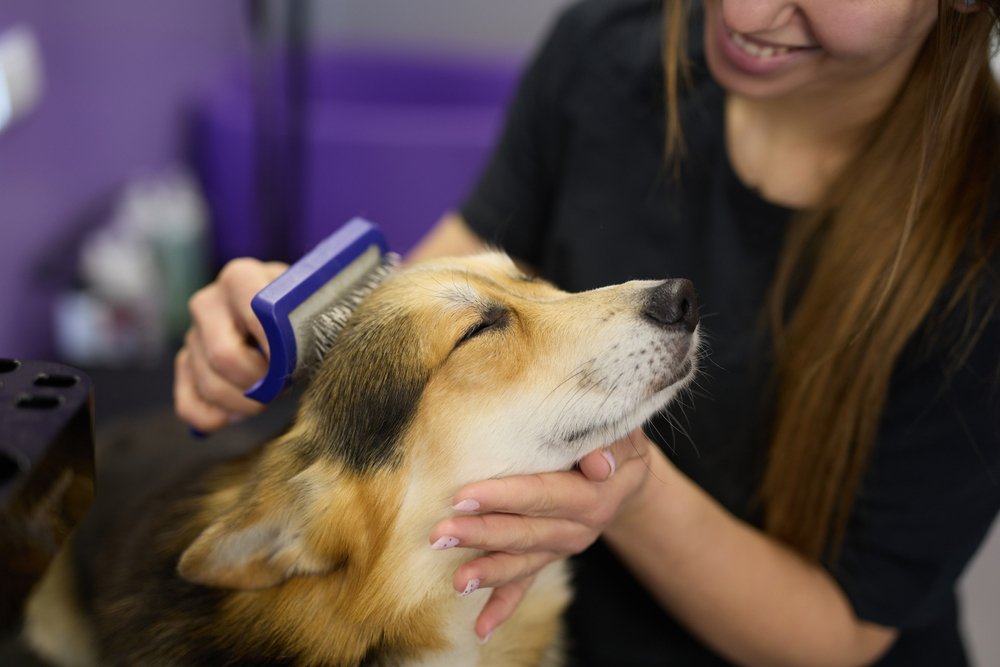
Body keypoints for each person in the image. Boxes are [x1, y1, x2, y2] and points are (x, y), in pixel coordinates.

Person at [174, 0, 1000, 664]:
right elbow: (440, 299)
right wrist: (291, 329)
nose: (744, 10)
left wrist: (630, 489)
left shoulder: (981, 252)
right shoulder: (605, 51)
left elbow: (841, 633)